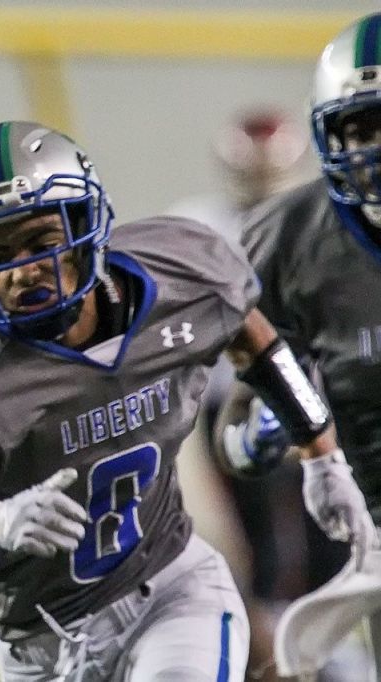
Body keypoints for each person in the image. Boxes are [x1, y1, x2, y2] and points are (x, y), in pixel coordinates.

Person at [0, 121, 374, 681]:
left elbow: (253, 336)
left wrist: (321, 455)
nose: (21, 271)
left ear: (86, 229)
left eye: (42, 244)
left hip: (173, 588)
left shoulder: (179, 272)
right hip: (42, 643)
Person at [216, 12, 381, 679]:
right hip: (361, 528)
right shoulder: (285, 238)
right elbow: (228, 432)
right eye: (362, 128)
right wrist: (260, 433)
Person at [167, 109, 337, 682]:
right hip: (228, 403)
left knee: (324, 540)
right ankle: (281, 655)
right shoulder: (199, 224)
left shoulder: (322, 221)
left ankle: (319, 653)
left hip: (313, 397)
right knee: (254, 547)